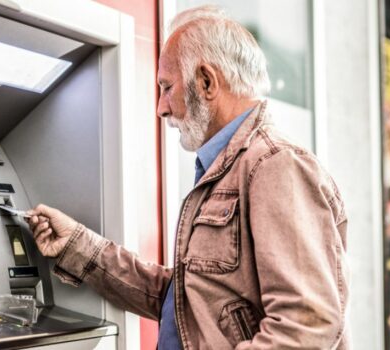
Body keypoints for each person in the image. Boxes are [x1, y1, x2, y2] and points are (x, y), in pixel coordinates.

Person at [26, 5, 348, 349]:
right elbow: (185, 300)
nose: (162, 107)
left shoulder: (275, 166)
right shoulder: (226, 169)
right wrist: (78, 245)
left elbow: (307, 324)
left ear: (206, 81)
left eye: (167, 87)